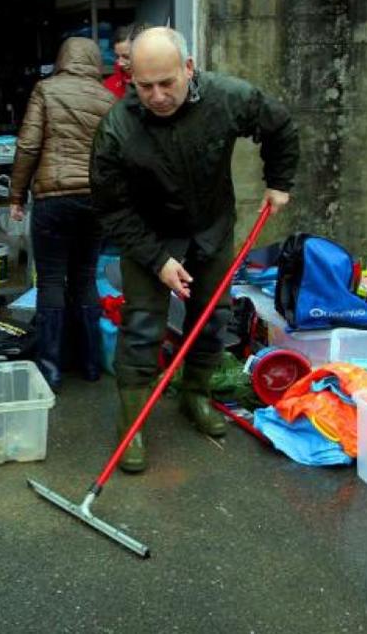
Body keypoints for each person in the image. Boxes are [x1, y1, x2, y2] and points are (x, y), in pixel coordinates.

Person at [90, 27, 298, 472]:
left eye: (167, 83)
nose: (157, 96)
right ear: (130, 79)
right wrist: (157, 260)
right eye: (145, 86)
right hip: (148, 235)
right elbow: (111, 209)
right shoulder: (117, 129)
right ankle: (131, 425)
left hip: (211, 228)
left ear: (188, 68)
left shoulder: (227, 98)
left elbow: (279, 125)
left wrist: (279, 182)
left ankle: (195, 394)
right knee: (142, 326)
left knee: (213, 316)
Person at [9, 37, 117, 392]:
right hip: (95, 200)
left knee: (52, 279)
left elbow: (28, 145)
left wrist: (16, 194)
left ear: (62, 59)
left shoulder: (46, 89)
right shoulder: (107, 98)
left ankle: (51, 371)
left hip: (53, 198)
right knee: (85, 278)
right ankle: (90, 365)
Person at [103, 22, 146, 99]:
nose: (120, 63)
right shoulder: (109, 86)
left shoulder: (160, 83)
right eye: (117, 56)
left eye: (126, 57)